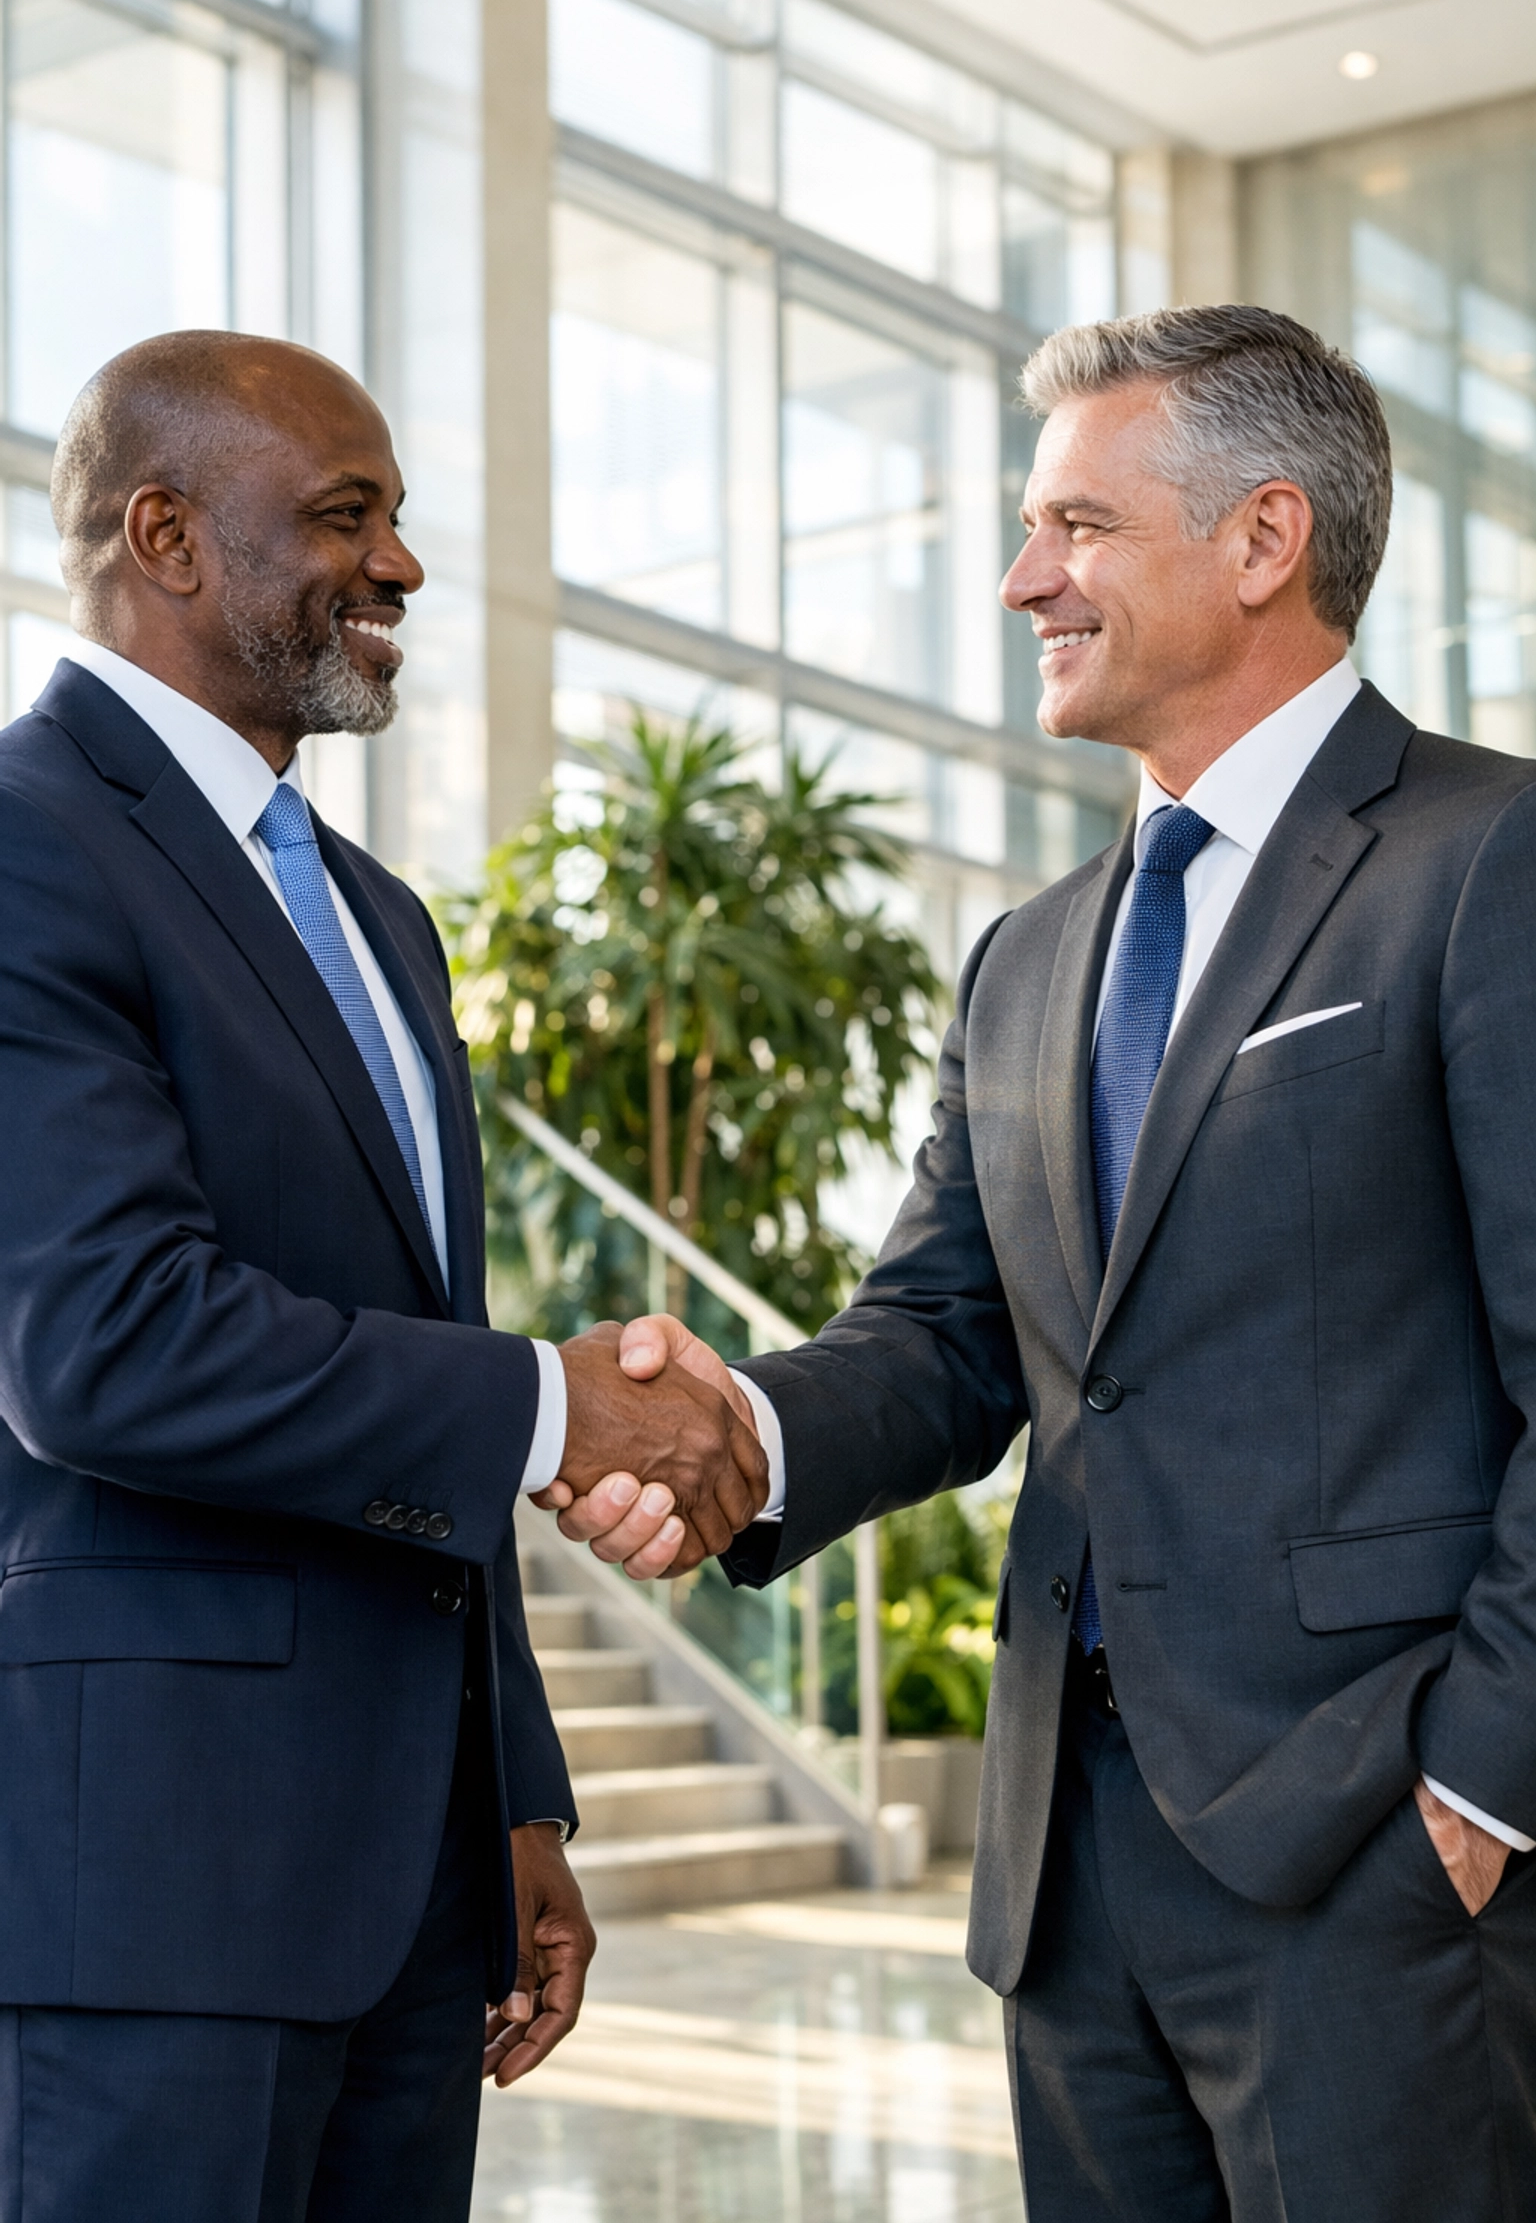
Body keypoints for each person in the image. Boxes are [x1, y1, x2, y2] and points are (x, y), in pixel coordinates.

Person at [554, 305, 1536, 2220]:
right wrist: (737, 1430)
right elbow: (944, 1334)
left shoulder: (1488, 859)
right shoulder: (1028, 955)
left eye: (1076, 527)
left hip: (1378, 1858)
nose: (1023, 581)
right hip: (1066, 1884)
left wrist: (1481, 1790)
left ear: (1264, 541)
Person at [0, 330, 766, 2221]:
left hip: (415, 1900)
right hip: (148, 1911)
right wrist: (560, 1397)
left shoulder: (374, 918)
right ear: (163, 535)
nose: (403, 566)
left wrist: (511, 1794)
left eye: (399, 518)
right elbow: (101, 1345)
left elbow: (408, 1379)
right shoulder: (24, 844)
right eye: (346, 519)